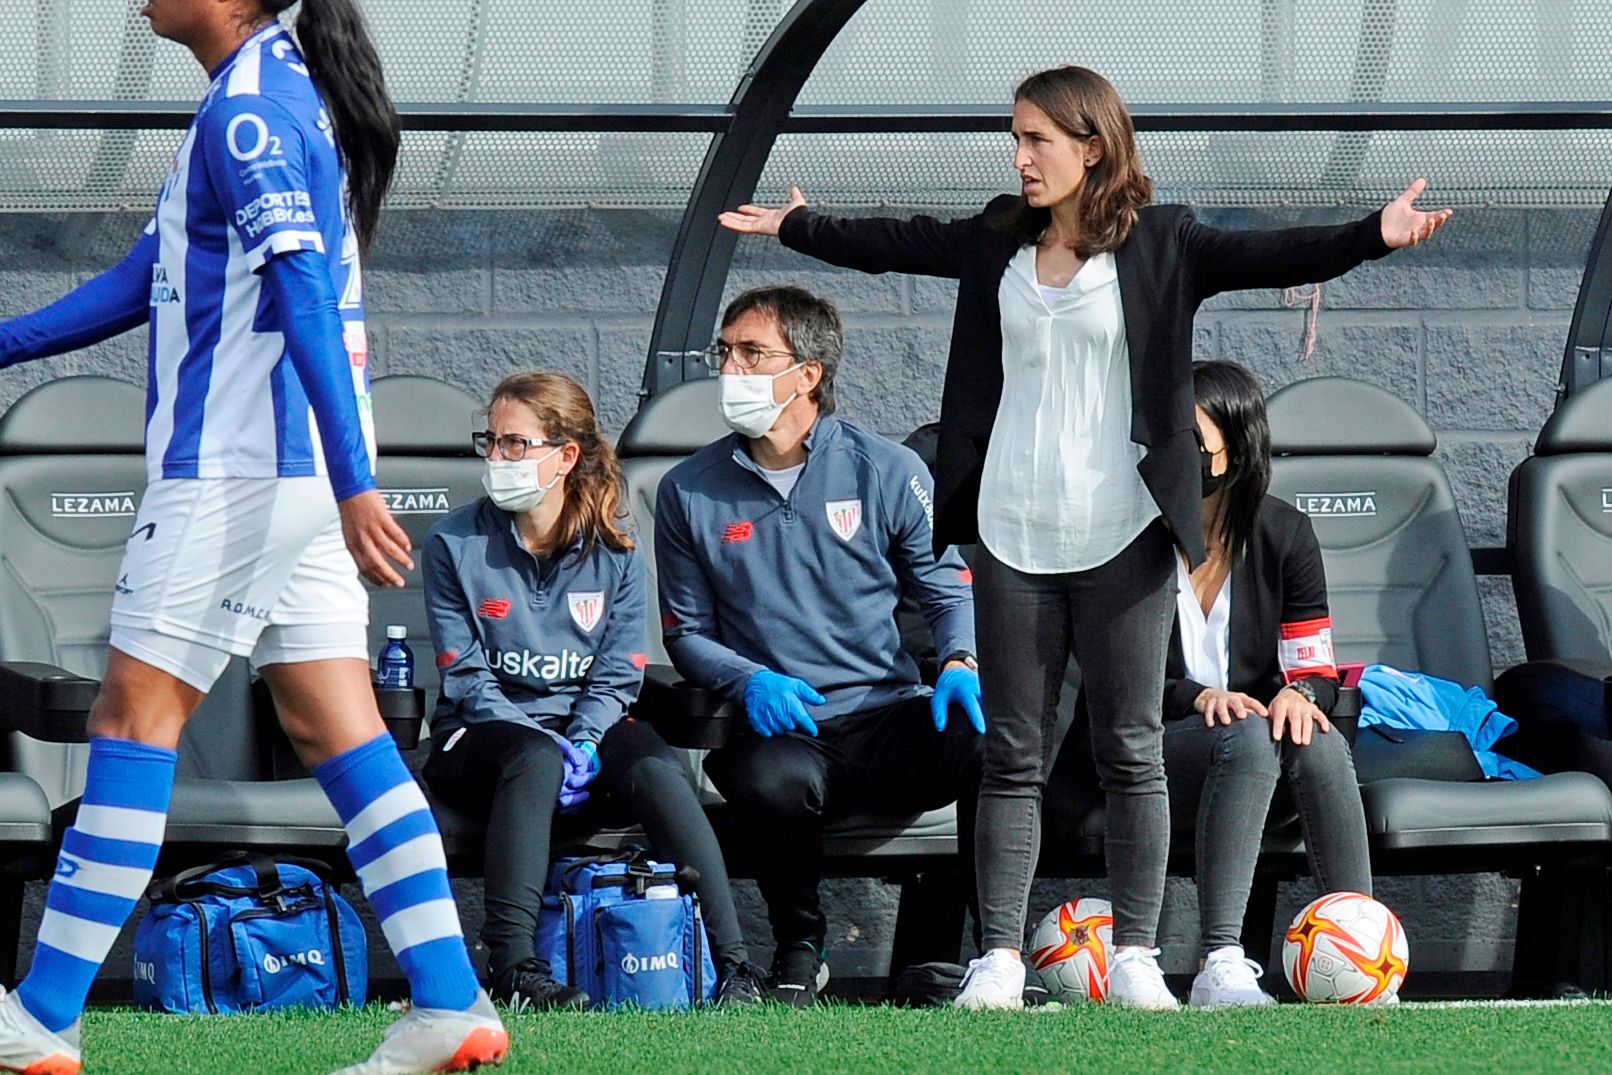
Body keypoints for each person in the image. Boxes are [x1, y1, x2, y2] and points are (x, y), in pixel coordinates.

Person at [718, 65, 1450, 1009]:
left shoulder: (1164, 243)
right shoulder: (997, 241)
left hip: (1124, 534)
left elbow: (1276, 252)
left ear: (1092, 145)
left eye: (1038, 140)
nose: (1020, 158)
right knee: (1012, 754)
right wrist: (798, 227)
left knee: (1132, 748)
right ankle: (997, 961)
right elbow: (903, 241)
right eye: (1015, 139)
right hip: (1013, 532)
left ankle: (1140, 956)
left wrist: (1372, 238)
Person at [0, 2, 506, 1072]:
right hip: (297, 480)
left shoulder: (252, 111)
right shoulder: (264, 96)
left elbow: (303, 293)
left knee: (131, 719)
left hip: (236, 475)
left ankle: (41, 1015)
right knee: (340, 732)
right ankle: (451, 1001)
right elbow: (144, 283)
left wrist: (361, 484)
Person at [655, 285, 985, 1006]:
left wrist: (960, 658)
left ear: (808, 372)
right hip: (785, 726)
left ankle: (973, 953)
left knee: (993, 744)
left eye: (751, 353)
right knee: (769, 780)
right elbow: (686, 633)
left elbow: (945, 584)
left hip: (887, 714)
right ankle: (801, 947)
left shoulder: (887, 469)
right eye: (725, 351)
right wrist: (749, 682)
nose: (729, 368)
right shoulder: (689, 490)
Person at [421, 370, 768, 1010]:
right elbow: (466, 677)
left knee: (660, 772)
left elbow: (618, 675)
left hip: (584, 731)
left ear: (566, 456)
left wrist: (582, 736)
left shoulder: (615, 549)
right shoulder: (452, 542)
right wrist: (546, 742)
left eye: (514, 444)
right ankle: (514, 968)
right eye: (490, 442)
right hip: (477, 736)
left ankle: (735, 969)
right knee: (533, 757)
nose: (497, 458)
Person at [1161, 360, 1372, 1007]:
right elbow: (1108, 677)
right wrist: (1196, 696)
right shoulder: (1136, 533)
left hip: (1256, 750)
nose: (1179, 454)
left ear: (1238, 446)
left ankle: (1361, 948)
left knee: (1315, 735)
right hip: (1156, 742)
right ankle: (1220, 959)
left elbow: (1317, 668)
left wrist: (1300, 692)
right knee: (1248, 734)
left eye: (1194, 441)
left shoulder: (1283, 533)